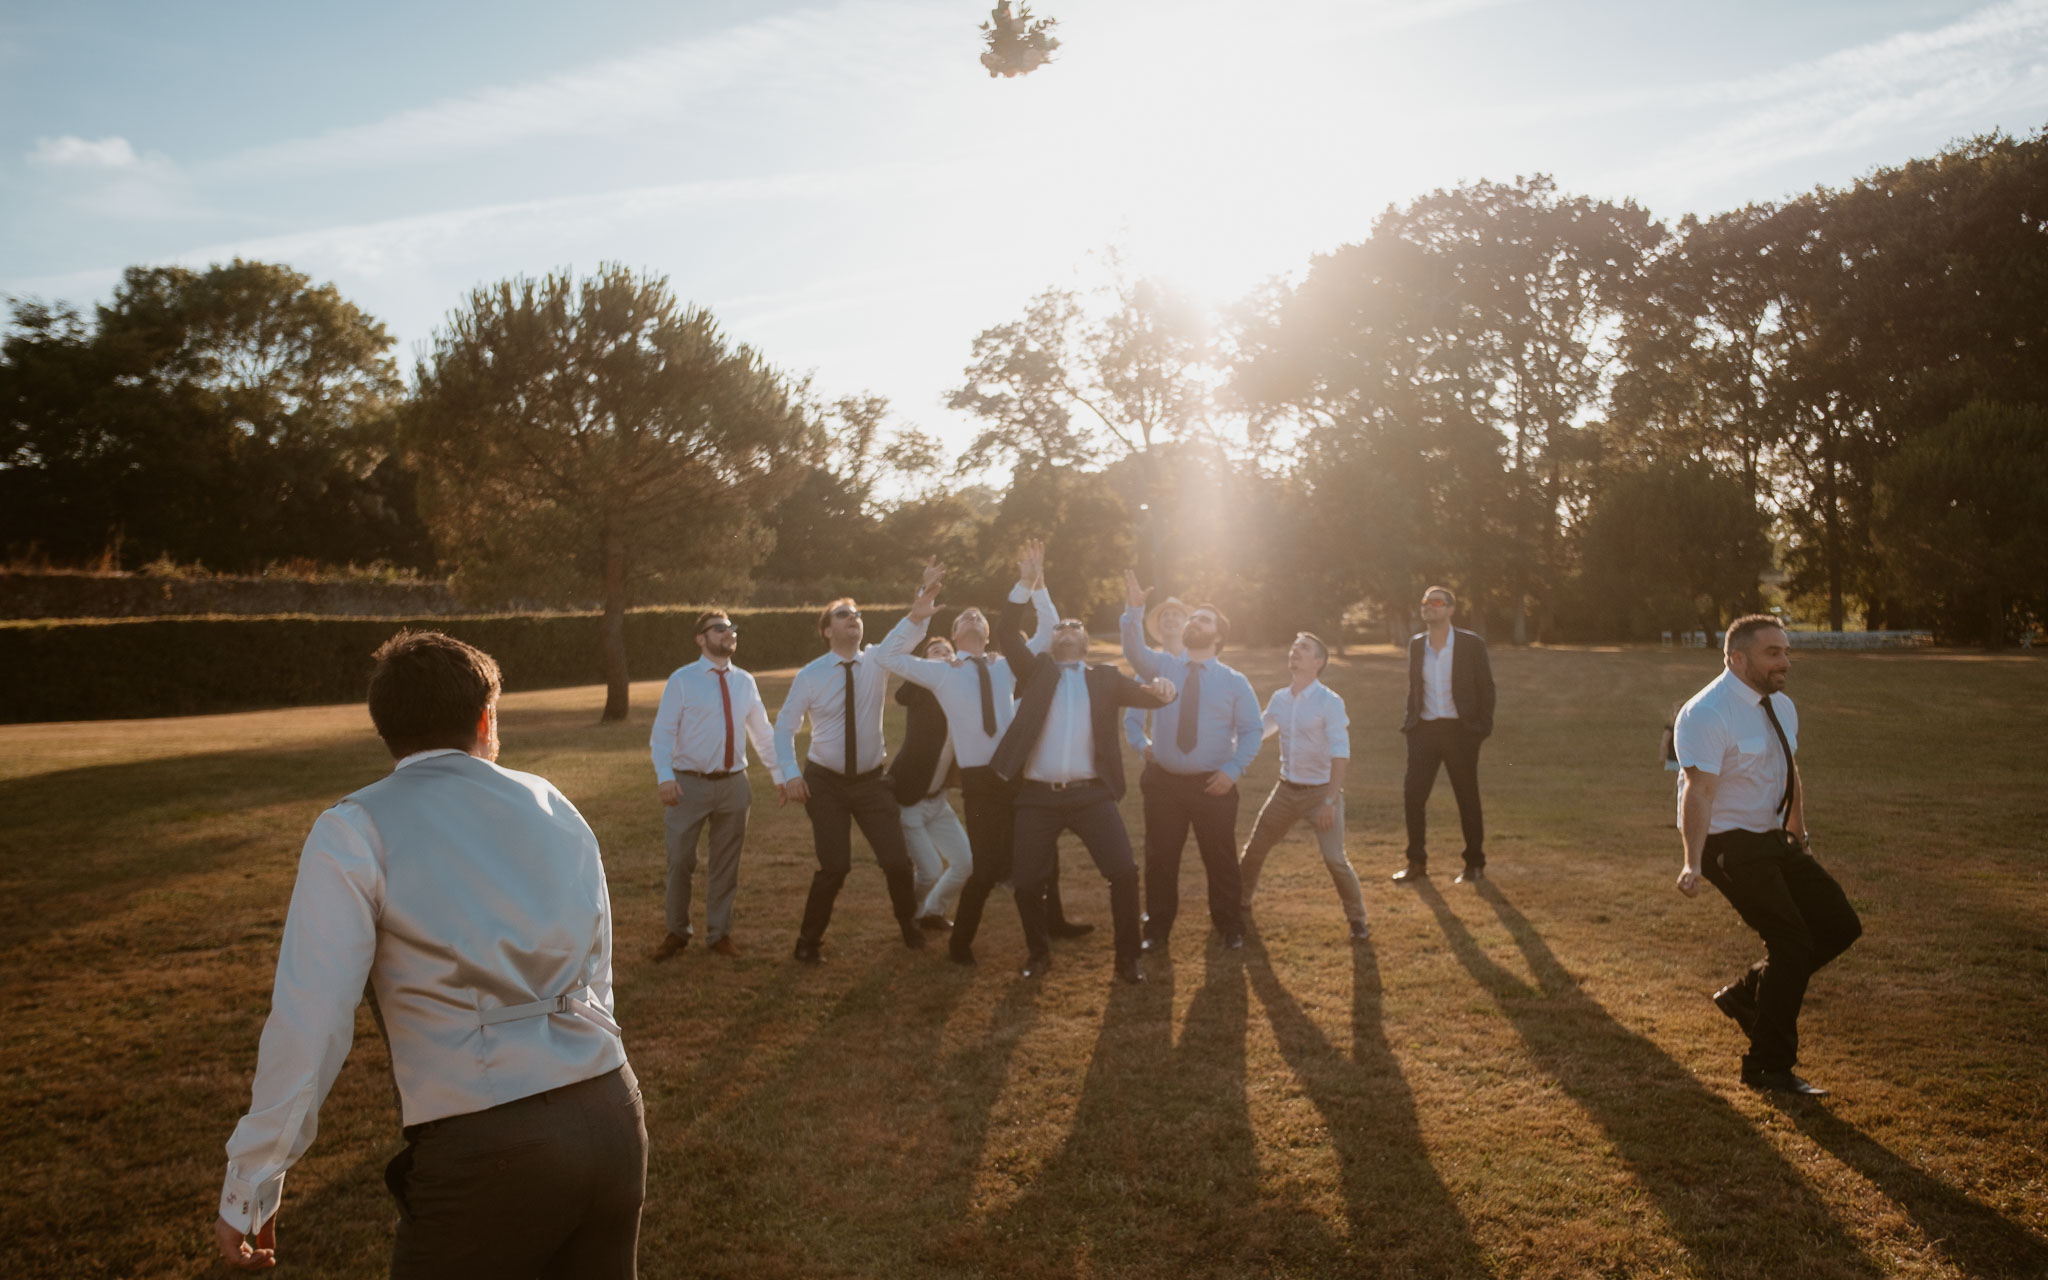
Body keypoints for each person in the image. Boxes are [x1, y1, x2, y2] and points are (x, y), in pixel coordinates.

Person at [213, 630, 644, 1276]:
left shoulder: (354, 829)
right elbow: (597, 971)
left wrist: (254, 1179)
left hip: (485, 1140)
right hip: (612, 1109)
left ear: (386, 728)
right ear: (485, 718)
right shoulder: (555, 803)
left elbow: (311, 1020)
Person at [1674, 615, 1861, 1096]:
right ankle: (1766, 1066)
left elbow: (1788, 767)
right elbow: (1697, 792)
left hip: (1773, 838)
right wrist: (1692, 861)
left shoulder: (1780, 705)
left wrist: (1797, 830)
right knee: (1792, 942)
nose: (1785, 661)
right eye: (1772, 653)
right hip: (1727, 845)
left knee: (1840, 924)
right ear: (1738, 659)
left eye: (1785, 651)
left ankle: (1746, 995)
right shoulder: (1706, 713)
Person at [874, 550, 1089, 965]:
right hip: (981, 784)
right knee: (986, 869)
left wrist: (1038, 587)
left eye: (978, 617)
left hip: (1019, 776)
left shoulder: (1005, 666)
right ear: (954, 636)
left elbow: (1047, 629)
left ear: (989, 633)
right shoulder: (941, 673)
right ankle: (960, 946)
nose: (972, 617)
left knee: (1038, 860)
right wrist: (916, 616)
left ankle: (1042, 940)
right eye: (962, 618)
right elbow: (887, 657)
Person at [992, 548, 1177, 982]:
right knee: (1025, 882)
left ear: (1086, 642)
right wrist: (1026, 581)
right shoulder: (1034, 671)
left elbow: (1151, 693)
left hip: (1091, 795)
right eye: (1061, 625)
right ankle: (1038, 955)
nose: (1068, 628)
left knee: (1125, 874)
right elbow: (1005, 630)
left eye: (1076, 625)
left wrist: (1166, 689)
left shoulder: (1105, 677)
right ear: (1053, 639)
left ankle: (1127, 960)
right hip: (1036, 798)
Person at [774, 598, 924, 963]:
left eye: (857, 614)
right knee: (835, 866)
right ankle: (808, 942)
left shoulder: (876, 659)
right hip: (825, 784)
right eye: (844, 614)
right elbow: (784, 727)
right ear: (827, 631)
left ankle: (908, 924)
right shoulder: (810, 674)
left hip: (872, 783)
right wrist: (791, 775)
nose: (853, 618)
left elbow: (909, 633)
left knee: (897, 863)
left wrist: (922, 604)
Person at [1120, 571, 1263, 953]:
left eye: (1204, 619)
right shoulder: (1163, 666)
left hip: (1212, 785)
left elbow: (1252, 730)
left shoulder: (1235, 682)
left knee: (1220, 860)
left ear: (1217, 636)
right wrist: (1134, 609)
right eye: (1193, 617)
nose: (1194, 622)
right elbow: (1133, 652)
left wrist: (1232, 772)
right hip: (1164, 783)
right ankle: (1157, 928)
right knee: (1160, 859)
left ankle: (1229, 925)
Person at [648, 609, 780, 961]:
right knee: (680, 860)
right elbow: (662, 734)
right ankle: (677, 931)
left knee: (726, 864)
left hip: (735, 785)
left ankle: (719, 934)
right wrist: (665, 777)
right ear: (701, 638)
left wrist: (781, 776)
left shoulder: (745, 682)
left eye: (732, 628)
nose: (729, 633)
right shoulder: (682, 680)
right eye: (720, 628)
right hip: (687, 785)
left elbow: (763, 733)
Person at [1237, 632, 1370, 941]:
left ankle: (1357, 920)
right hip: (1285, 792)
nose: (1295, 651)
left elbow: (1341, 753)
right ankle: (1239, 905)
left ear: (1318, 662)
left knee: (1335, 859)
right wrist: (1225, 748)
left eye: (1304, 649)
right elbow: (1258, 732)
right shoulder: (1280, 699)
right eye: (1294, 647)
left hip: (1321, 794)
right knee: (1253, 852)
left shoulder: (1330, 702)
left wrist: (1328, 801)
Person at [1395, 585, 1496, 884]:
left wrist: (1480, 728)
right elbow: (1414, 688)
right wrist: (1411, 723)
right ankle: (1416, 863)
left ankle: (1474, 865)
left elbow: (1486, 688)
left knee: (1467, 798)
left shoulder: (1470, 644)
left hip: (1460, 732)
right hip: (1423, 731)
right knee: (1413, 797)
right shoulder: (1416, 645)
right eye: (1426, 602)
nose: (1430, 606)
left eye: (1437, 602)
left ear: (1452, 609)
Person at [886, 634, 979, 931]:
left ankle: (931, 912)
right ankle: (907, 916)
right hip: (909, 798)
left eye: (946, 650)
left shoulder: (962, 694)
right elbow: (901, 696)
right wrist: (927, 668)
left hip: (938, 801)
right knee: (929, 871)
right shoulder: (921, 688)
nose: (940, 652)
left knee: (965, 864)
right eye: (934, 651)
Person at [1123, 594, 1189, 760]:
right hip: (1162, 761)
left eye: (1176, 614)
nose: (1170, 618)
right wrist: (1142, 745)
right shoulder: (1147, 671)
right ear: (1159, 626)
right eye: (1165, 615)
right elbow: (1132, 719)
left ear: (1186, 624)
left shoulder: (1200, 666)